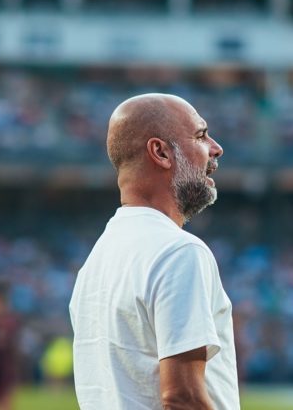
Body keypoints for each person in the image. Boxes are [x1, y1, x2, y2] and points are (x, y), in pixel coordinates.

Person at [70, 93, 238, 410]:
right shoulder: (178, 252)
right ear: (160, 152)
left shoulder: (94, 263)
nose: (216, 148)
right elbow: (182, 398)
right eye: (200, 135)